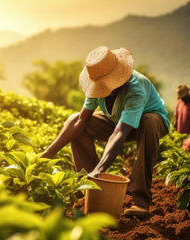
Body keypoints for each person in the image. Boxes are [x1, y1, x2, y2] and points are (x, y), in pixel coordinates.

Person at [40, 46, 170, 218]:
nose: (102, 89)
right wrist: (47, 154)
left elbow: (119, 133)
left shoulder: (135, 88)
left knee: (149, 122)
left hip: (148, 123)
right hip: (117, 121)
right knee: (73, 120)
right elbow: (80, 121)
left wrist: (100, 170)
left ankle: (140, 201)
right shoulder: (97, 85)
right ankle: (90, 188)